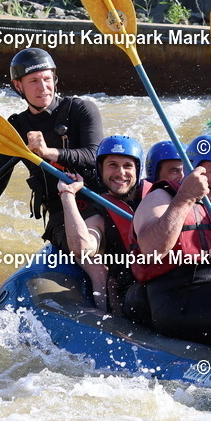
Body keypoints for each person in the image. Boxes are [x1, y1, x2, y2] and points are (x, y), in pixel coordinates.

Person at [0, 48, 103, 251]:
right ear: (18, 86)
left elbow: (95, 155)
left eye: (47, 79)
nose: (43, 87)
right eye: (34, 81)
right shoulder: (16, 128)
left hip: (99, 203)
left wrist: (48, 153)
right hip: (61, 214)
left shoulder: (81, 110)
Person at [130, 134, 211, 349]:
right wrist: (185, 198)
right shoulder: (162, 196)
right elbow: (151, 250)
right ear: (191, 169)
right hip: (178, 298)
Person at [58, 135, 146, 315]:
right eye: (112, 165)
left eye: (127, 166)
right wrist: (67, 194)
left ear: (138, 170)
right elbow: (82, 249)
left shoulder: (157, 199)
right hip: (130, 297)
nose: (121, 172)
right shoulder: (98, 213)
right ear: (100, 169)